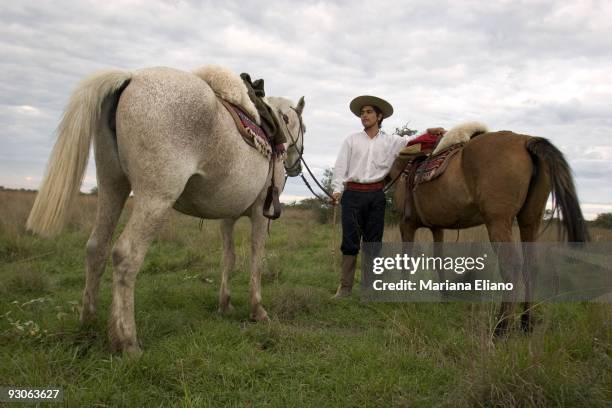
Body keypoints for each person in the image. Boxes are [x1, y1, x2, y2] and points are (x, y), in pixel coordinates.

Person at [331, 95, 413, 298]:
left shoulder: (392, 142)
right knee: (349, 242)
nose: (364, 116)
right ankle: (346, 289)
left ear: (379, 116)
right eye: (362, 113)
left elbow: (414, 143)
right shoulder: (351, 140)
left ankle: (369, 289)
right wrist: (336, 189)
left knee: (373, 243)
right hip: (352, 195)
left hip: (376, 196)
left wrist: (432, 134)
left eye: (368, 112)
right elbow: (340, 166)